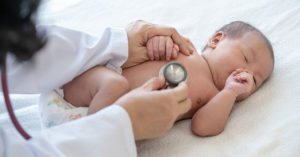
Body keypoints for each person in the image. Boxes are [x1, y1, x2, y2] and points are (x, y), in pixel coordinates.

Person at [0, 0, 196, 156]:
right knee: (114, 83)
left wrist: (117, 44)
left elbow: (18, 46)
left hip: (83, 100)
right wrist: (119, 126)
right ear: (216, 40)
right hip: (80, 103)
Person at [45, 21, 274, 136]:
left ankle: (97, 137)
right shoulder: (186, 49)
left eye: (257, 79)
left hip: (107, 118)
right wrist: (157, 42)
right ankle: (92, 139)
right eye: (245, 57)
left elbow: (202, 127)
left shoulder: (216, 97)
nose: (246, 73)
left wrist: (230, 92)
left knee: (127, 134)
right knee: (116, 84)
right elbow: (141, 40)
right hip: (86, 89)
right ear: (216, 40)